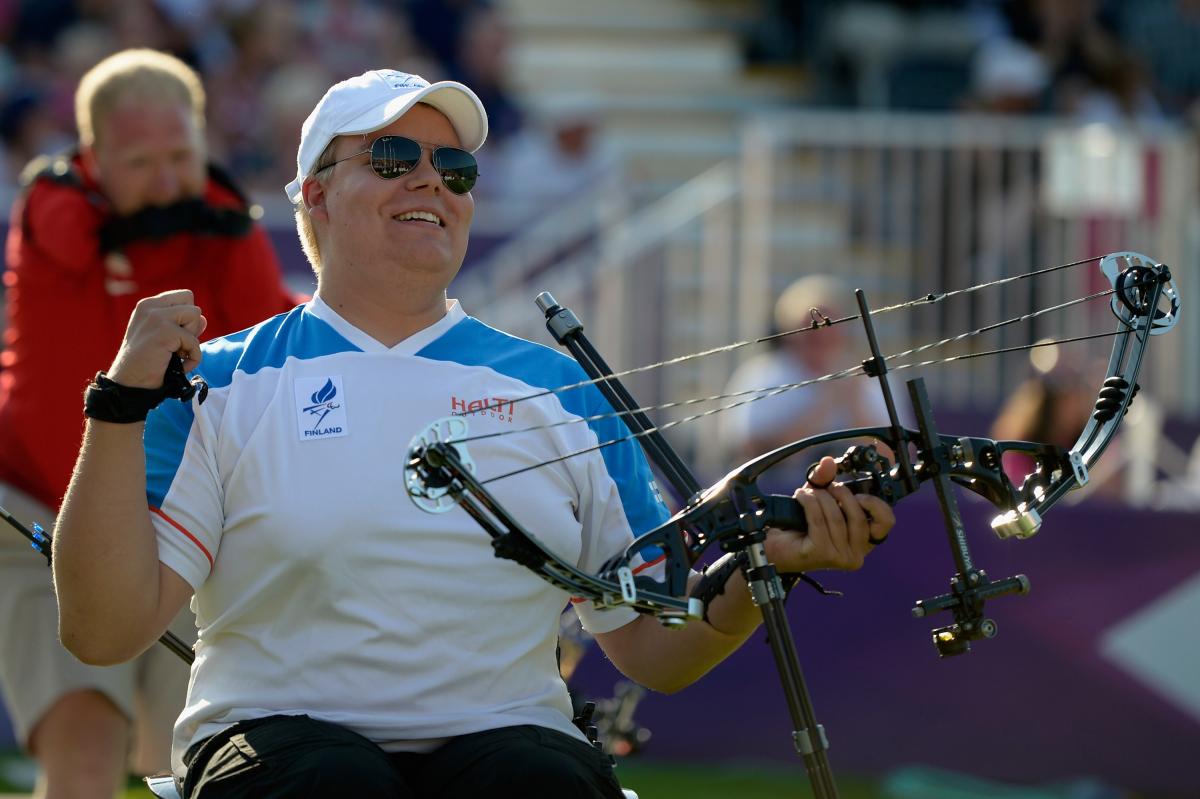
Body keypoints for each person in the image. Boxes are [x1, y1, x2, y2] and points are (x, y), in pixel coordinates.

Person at [51, 68, 896, 798]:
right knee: (329, 780)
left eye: (454, 168)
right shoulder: (220, 381)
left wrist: (767, 567)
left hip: (510, 752)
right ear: (313, 193)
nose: (432, 182)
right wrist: (117, 405)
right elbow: (103, 629)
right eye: (393, 158)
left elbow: (655, 647)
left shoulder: (560, 386)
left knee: (532, 779)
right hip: (280, 751)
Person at [0, 48, 299, 798]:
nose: (168, 181)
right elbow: (76, 235)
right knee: (83, 751)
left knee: (196, 761)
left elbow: (272, 347)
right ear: (92, 155)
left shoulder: (223, 221)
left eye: (181, 155)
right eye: (140, 161)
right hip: (43, 502)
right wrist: (199, 222)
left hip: (179, 519)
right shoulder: (51, 212)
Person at [718, 274, 893, 489]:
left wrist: (854, 402)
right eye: (811, 328)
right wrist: (825, 405)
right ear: (790, 331)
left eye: (829, 325)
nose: (821, 335)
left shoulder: (872, 376)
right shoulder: (762, 375)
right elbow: (747, 449)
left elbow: (897, 454)